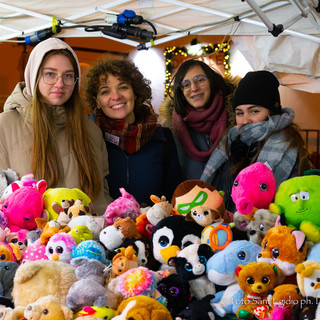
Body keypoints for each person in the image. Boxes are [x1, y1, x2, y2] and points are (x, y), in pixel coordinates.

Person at [0, 37, 113, 215]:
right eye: (50, 74)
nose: (60, 84)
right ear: (34, 76)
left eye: (68, 75)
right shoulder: (5, 126)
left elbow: (102, 193)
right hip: (27, 240)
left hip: (86, 237)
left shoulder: (90, 130)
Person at [201, 70, 313, 212]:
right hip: (223, 227)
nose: (246, 120)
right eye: (240, 113)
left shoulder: (291, 148)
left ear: (272, 111)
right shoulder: (230, 141)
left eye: (254, 111)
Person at [84, 57, 182, 206]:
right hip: (102, 227)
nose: (116, 96)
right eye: (105, 91)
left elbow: (174, 197)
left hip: (151, 226)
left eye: (123, 87)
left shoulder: (163, 138)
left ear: (135, 92)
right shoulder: (88, 136)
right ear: (97, 101)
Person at [159, 59, 236, 180]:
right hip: (191, 198)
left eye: (200, 80)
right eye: (186, 84)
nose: (194, 88)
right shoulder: (170, 131)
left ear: (211, 81)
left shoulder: (237, 118)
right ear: (181, 92)